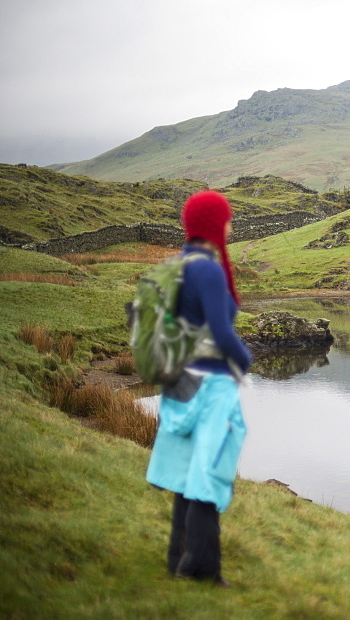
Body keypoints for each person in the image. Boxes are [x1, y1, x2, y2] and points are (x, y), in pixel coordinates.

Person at [145, 190, 253, 587]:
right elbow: (222, 334)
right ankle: (203, 568)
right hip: (210, 385)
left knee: (188, 471)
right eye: (226, 219)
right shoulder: (207, 270)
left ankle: (178, 561)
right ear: (212, 224)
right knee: (209, 472)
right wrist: (244, 360)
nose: (230, 225)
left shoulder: (178, 265)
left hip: (180, 382)